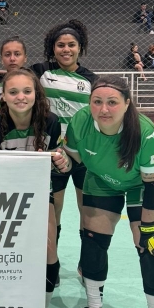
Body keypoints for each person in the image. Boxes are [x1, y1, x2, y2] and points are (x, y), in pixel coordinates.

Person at [60, 75, 154, 308]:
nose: (104, 109)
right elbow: (72, 158)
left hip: (143, 185)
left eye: (112, 102)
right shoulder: (80, 123)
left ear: (126, 104)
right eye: (97, 101)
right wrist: (63, 160)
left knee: (153, 250)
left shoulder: (145, 133)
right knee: (93, 242)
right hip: (102, 180)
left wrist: (149, 229)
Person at [0, 68, 65, 308]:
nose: (21, 97)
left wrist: (61, 162)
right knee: (4, 254)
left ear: (36, 94)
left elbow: (59, 161)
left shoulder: (51, 122)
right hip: (5, 200)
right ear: (4, 96)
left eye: (27, 91)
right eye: (14, 92)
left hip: (40, 196)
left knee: (48, 248)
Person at [31, 19, 95, 260]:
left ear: (80, 47)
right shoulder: (40, 72)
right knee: (53, 214)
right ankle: (51, 263)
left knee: (86, 212)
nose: (66, 50)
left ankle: (86, 264)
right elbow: (12, 78)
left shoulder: (91, 80)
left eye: (71, 45)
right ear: (52, 48)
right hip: (53, 154)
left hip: (83, 156)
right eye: (60, 45)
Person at [0, 36, 29, 112]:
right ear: (2, 59)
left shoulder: (34, 80)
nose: (12, 59)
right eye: (7, 54)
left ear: (25, 58)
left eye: (17, 54)